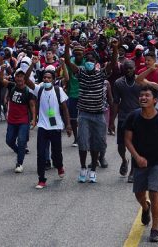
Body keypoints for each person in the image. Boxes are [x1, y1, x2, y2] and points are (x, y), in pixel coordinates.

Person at [124, 85, 158, 243]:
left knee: (155, 193)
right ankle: (145, 207)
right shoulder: (133, 117)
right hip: (139, 163)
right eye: (141, 95)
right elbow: (127, 140)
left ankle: (155, 229)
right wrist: (137, 157)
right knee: (139, 194)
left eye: (147, 95)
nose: (143, 98)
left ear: (155, 100)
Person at [63, 35, 118, 183]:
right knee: (83, 143)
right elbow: (68, 61)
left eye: (92, 61)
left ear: (96, 63)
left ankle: (93, 170)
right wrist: (67, 46)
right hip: (85, 115)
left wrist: (114, 48)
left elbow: (113, 64)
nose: (89, 63)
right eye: (87, 61)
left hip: (99, 115)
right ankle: (83, 168)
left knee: (96, 144)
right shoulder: (80, 74)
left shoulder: (101, 75)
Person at [25, 56, 72, 189]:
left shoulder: (58, 90)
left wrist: (68, 125)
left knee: (56, 153)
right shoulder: (39, 89)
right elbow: (27, 80)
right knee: (41, 154)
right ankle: (41, 179)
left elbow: (65, 109)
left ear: (53, 80)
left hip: (56, 126)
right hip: (43, 127)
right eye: (44, 77)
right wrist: (32, 65)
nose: (46, 79)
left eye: (49, 78)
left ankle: (59, 166)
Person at [110, 60, 142, 182]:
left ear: (135, 68)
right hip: (123, 117)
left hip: (138, 117)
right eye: (126, 68)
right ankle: (124, 160)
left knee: (135, 145)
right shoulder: (118, 83)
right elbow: (116, 102)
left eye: (131, 68)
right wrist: (112, 121)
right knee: (121, 145)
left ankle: (133, 171)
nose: (129, 70)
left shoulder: (140, 81)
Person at [0, 68, 36, 173]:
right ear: (15, 77)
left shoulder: (28, 91)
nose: (20, 78)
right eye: (18, 76)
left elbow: (32, 106)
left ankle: (19, 163)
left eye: (22, 77)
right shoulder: (12, 86)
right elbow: (1, 80)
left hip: (23, 120)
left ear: (25, 79)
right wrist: (2, 69)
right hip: (11, 120)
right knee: (9, 141)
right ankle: (20, 151)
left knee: (21, 141)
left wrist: (34, 119)